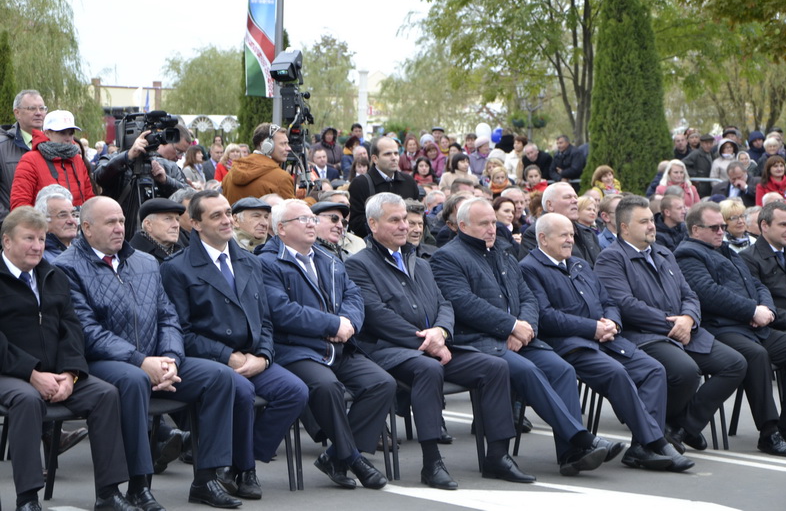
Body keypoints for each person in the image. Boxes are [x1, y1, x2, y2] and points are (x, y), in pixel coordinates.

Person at [54, 196, 242, 509]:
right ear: (86, 228)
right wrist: (141, 362)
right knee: (133, 380)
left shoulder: (145, 262)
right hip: (102, 362)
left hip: (156, 358)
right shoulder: (65, 267)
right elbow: (86, 331)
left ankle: (207, 479)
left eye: (120, 221)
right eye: (110, 222)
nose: (119, 228)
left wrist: (170, 359)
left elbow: (168, 316)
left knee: (220, 376)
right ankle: (139, 486)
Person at [346, 192, 533, 488]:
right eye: (394, 220)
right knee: (429, 370)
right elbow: (376, 316)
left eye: (406, 220)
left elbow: (445, 304)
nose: (404, 226)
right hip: (388, 351)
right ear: (372, 224)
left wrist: (442, 333)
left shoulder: (419, 261)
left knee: (495, 367)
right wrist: (428, 341)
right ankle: (432, 462)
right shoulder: (359, 264)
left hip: (436, 345)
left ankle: (497, 456)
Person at [431, 198, 623, 476]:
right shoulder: (447, 257)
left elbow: (528, 297)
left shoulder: (504, 253)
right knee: (529, 371)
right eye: (483, 224)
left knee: (562, 370)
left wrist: (524, 328)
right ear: (462, 226)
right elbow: (463, 303)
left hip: (519, 337)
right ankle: (581, 439)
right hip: (478, 340)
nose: (491, 229)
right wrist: (510, 326)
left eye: (493, 223)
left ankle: (570, 455)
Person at [160, 190, 308, 500]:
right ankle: (245, 469)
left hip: (253, 357)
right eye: (216, 215)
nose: (227, 220)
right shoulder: (177, 268)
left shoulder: (249, 262)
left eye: (228, 212)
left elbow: (265, 320)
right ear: (195, 223)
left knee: (295, 391)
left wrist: (264, 357)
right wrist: (227, 357)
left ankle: (240, 463)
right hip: (212, 360)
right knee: (241, 392)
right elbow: (180, 331)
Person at [519, 213, 691, 471]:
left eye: (571, 235)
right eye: (564, 235)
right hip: (569, 344)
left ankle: (640, 449)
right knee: (616, 372)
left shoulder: (578, 264)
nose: (570, 240)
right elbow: (545, 317)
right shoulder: (529, 268)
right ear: (543, 238)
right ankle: (656, 442)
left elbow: (609, 301)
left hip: (605, 338)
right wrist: (594, 328)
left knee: (653, 369)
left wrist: (613, 323)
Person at [0, 206, 136, 511]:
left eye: (41, 239)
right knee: (27, 400)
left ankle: (109, 494)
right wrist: (32, 374)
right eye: (29, 239)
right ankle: (28, 499)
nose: (37, 246)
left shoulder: (52, 274)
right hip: (9, 373)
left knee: (105, 394)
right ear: (7, 242)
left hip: (56, 373)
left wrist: (70, 374)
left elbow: (72, 328)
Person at [257, 199, 396, 490]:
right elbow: (280, 311)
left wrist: (348, 324)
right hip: (296, 348)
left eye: (311, 218)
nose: (311, 223)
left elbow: (354, 296)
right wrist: (331, 324)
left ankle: (335, 457)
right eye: (302, 219)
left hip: (339, 346)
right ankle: (353, 458)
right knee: (326, 386)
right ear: (281, 229)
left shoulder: (328, 258)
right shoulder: (267, 262)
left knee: (382, 383)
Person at [594, 196, 747, 457]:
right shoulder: (610, 259)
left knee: (735, 363)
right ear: (624, 227)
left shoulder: (664, 253)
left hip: (683, 330)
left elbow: (690, 295)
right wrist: (672, 324)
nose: (651, 226)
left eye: (651, 220)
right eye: (643, 222)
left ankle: (681, 427)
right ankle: (655, 431)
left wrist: (688, 319)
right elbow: (626, 304)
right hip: (643, 336)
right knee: (686, 371)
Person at [674, 202, 786, 456]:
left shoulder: (726, 251)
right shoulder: (688, 254)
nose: (722, 231)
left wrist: (767, 310)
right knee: (755, 355)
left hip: (752, 327)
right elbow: (709, 294)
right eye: (715, 227)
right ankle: (769, 433)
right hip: (722, 328)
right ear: (696, 229)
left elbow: (757, 284)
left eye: (723, 226)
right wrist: (751, 311)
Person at [94, 123, 192, 240]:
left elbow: (187, 199)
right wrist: (128, 157)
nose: (180, 157)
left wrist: (165, 181)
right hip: (118, 235)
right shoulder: (114, 159)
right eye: (178, 151)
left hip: (159, 240)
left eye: (183, 153)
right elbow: (100, 177)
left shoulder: (170, 168)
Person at [11, 110, 94, 211]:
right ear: (47, 133)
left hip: (76, 225)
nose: (68, 138)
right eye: (62, 132)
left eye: (71, 133)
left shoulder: (77, 159)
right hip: (44, 225)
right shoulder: (30, 160)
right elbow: (20, 205)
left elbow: (89, 198)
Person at [741, 202, 786, 334]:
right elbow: (761, 305)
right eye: (783, 225)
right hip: (772, 330)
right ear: (764, 226)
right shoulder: (748, 259)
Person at [348, 136, 420, 238]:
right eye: (387, 154)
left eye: (396, 153)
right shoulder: (361, 183)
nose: (394, 158)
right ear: (375, 159)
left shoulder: (409, 181)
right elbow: (356, 222)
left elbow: (418, 214)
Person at [518, 182, 602, 264]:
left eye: (575, 197)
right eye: (568, 197)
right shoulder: (535, 233)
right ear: (550, 205)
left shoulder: (588, 232)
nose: (575, 201)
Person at [0, 90, 47, 226]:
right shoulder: (2, 147)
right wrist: (11, 224)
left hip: (51, 232)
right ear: (17, 113)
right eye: (32, 108)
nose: (39, 113)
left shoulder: (55, 144)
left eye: (42, 108)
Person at [222, 123, 295, 203]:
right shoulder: (281, 178)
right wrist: (310, 199)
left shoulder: (229, 175)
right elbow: (293, 213)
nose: (288, 148)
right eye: (283, 144)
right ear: (266, 145)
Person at [129, 198, 185, 263]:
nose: (176, 225)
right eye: (168, 219)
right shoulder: (132, 255)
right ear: (148, 224)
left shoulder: (183, 251)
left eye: (177, 219)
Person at [34, 184, 78, 262]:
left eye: (73, 214)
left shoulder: (86, 248)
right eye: (63, 215)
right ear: (44, 221)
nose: (72, 221)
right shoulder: (39, 258)